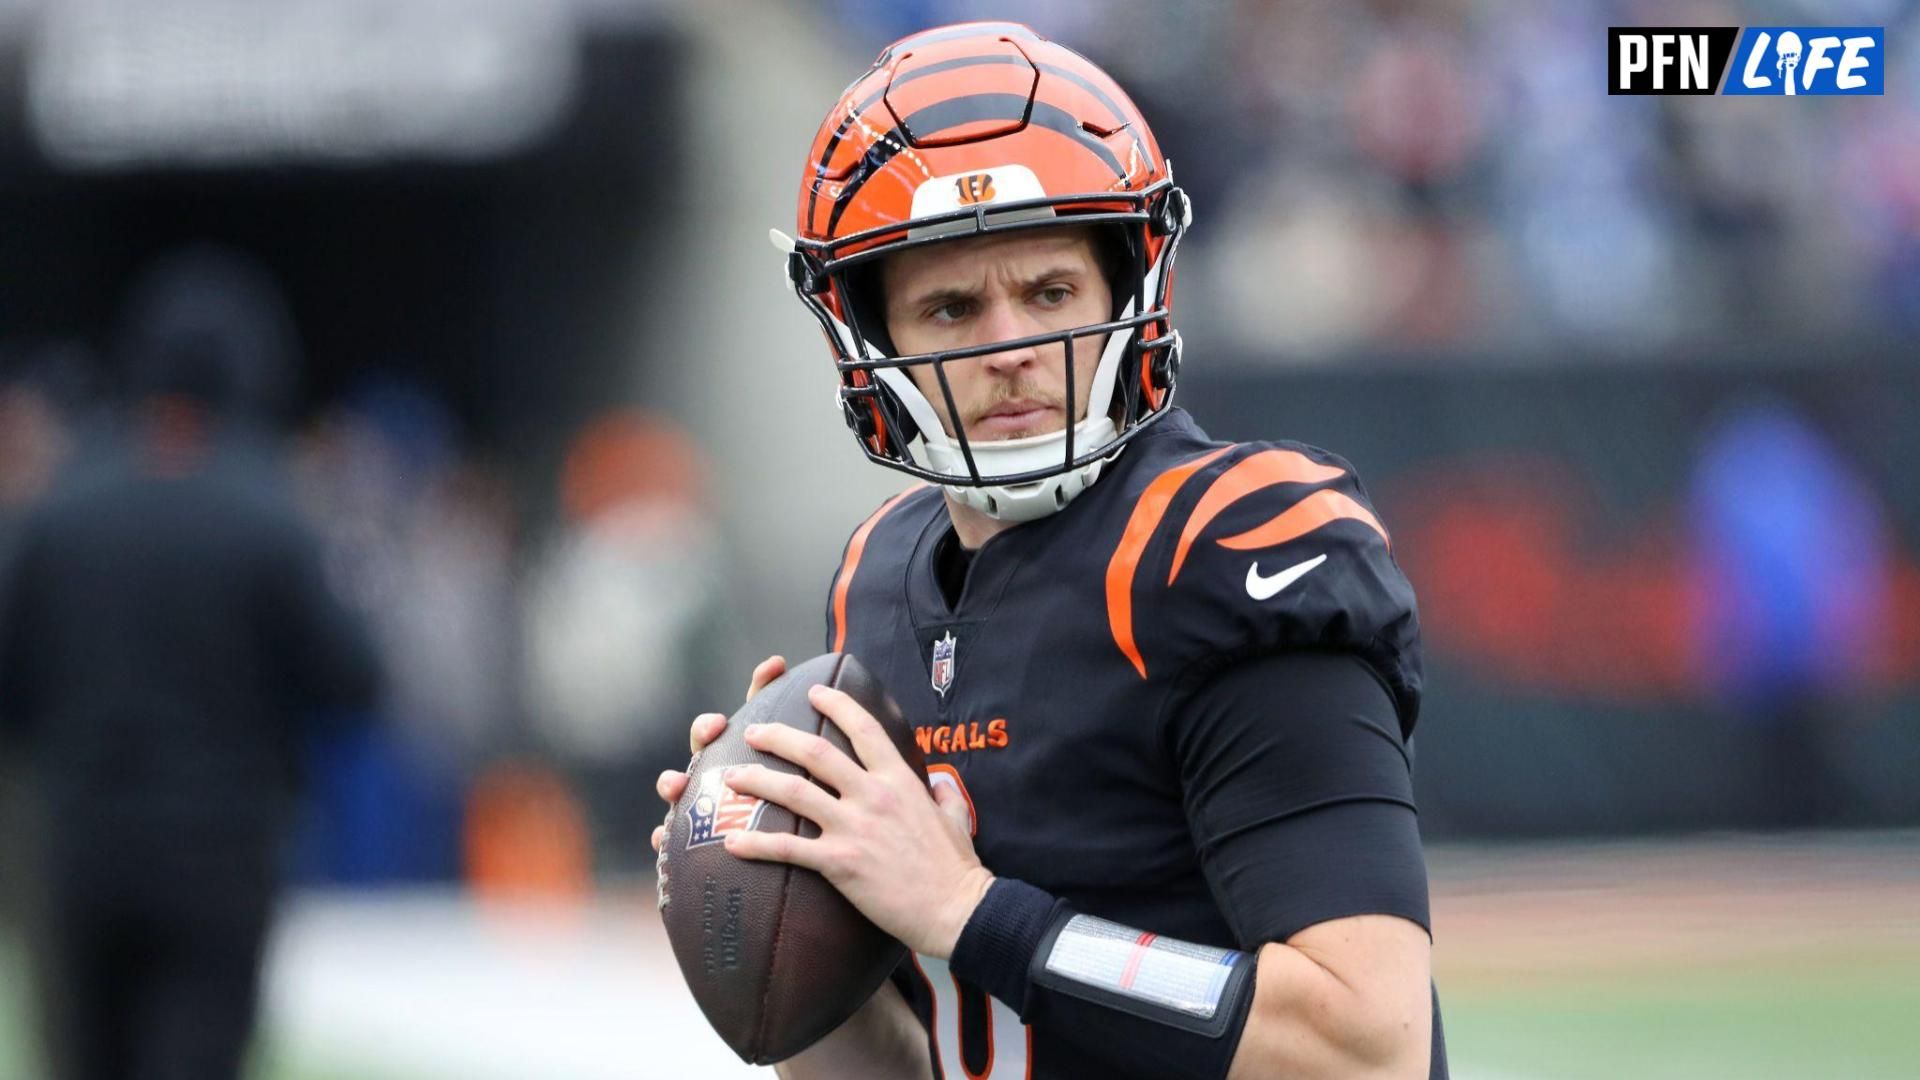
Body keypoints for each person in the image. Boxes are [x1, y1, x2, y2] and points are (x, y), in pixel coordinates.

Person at [653, 22, 1444, 1079]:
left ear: (1128, 291)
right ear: (871, 339)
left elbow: (1366, 1045)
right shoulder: (879, 576)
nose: (1014, 344)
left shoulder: (1230, 544)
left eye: (1050, 291)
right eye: (950, 307)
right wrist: (778, 898)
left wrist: (973, 914)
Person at [0, 247, 381, 1080]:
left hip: (80, 847)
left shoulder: (61, 512)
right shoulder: (270, 515)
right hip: (221, 853)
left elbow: (12, 684)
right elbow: (355, 682)